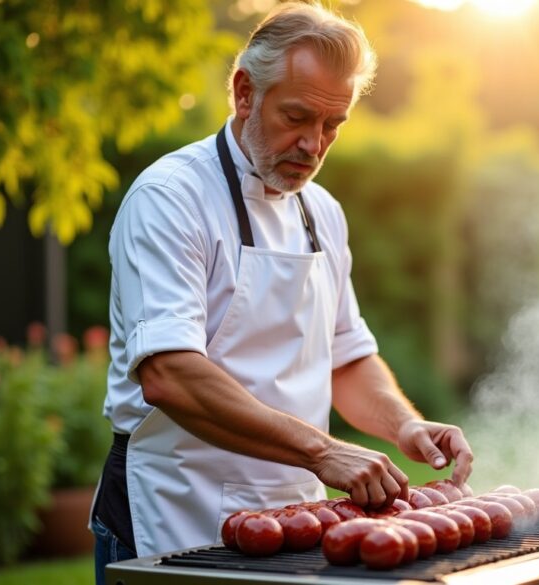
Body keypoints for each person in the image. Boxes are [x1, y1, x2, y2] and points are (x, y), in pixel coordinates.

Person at [90, 3, 474, 582]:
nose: (313, 145)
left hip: (296, 518)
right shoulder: (170, 198)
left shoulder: (323, 212)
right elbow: (169, 374)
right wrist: (325, 452)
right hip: (173, 512)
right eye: (297, 117)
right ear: (245, 93)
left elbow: (346, 359)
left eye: (333, 126)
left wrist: (404, 426)